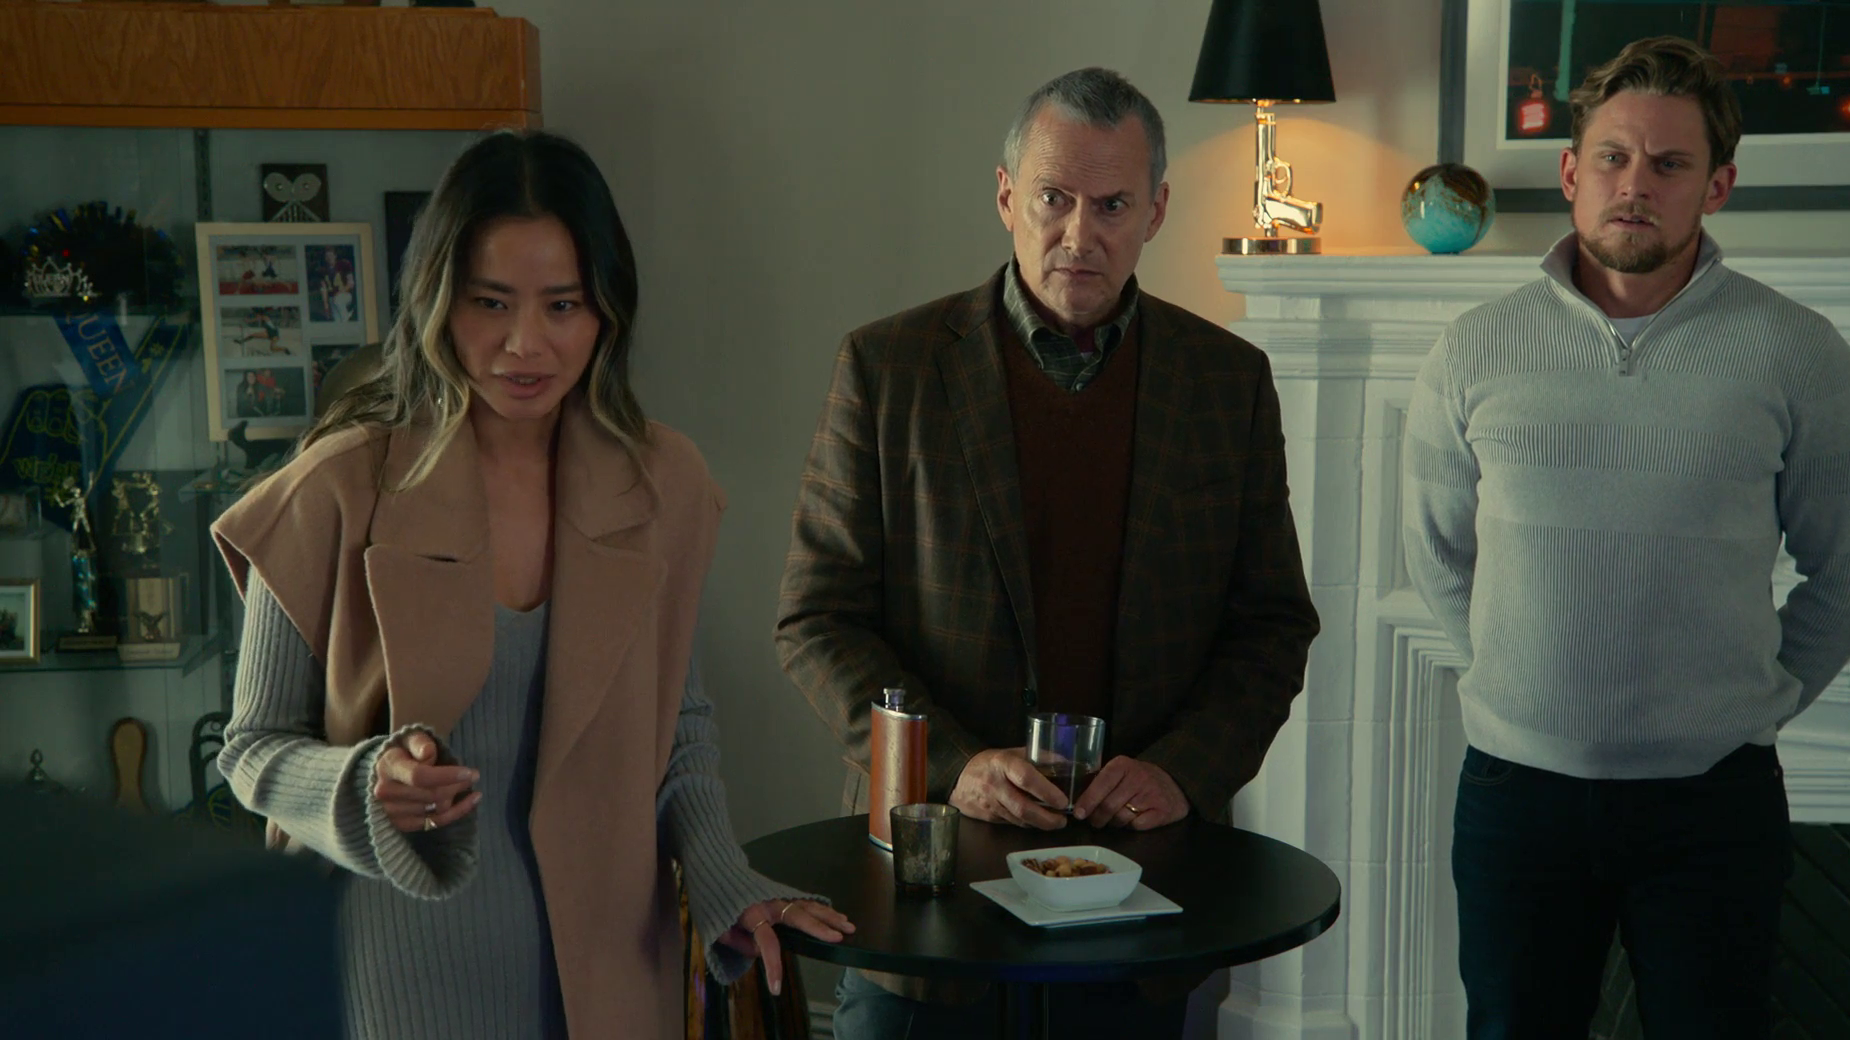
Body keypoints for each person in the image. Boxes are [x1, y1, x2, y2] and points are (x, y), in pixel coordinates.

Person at [213, 130, 854, 1040]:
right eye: (490, 303)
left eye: (563, 306)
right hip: (392, 972)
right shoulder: (336, 487)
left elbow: (678, 729)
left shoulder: (662, 484)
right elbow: (252, 749)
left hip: (607, 971)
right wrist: (364, 783)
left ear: (606, 312)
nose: (526, 344)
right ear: (438, 300)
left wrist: (725, 882)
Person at [776, 67, 1320, 1039]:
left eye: (1111, 205)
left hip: (1137, 892)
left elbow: (1271, 625)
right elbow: (817, 619)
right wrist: (955, 765)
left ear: (1156, 211)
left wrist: (1181, 771)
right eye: (1053, 198)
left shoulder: (1226, 382)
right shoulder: (888, 368)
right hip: (926, 891)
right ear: (1005, 198)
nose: (1079, 233)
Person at [1404, 37, 1850, 1039]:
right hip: (1517, 795)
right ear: (1571, 172)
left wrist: (1749, 701)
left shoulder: (1801, 353)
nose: (1637, 185)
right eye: (1615, 158)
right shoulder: (1473, 347)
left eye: (1671, 164)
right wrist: (1518, 685)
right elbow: (1436, 554)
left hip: (1713, 800)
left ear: (1718, 186)